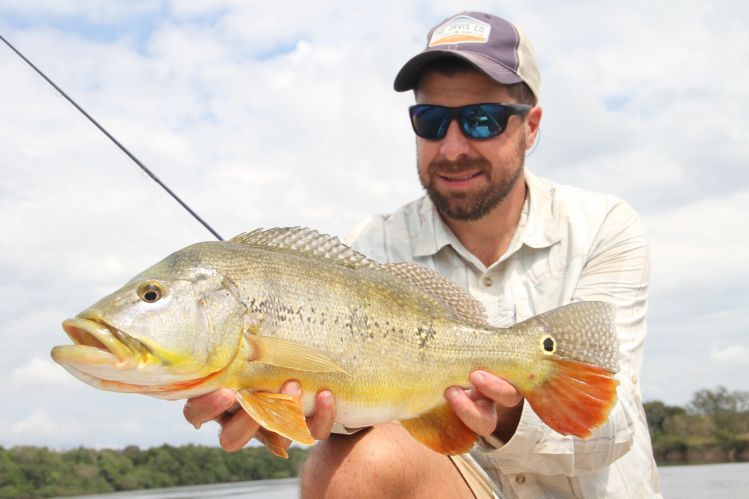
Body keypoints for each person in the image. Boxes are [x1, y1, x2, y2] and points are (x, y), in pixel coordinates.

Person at [183, 11, 662, 498]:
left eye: (482, 119)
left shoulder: (604, 225)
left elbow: (612, 425)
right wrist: (279, 406)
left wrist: (510, 412)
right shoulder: (373, 245)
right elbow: (358, 411)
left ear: (531, 126)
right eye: (431, 121)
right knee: (351, 461)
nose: (452, 148)